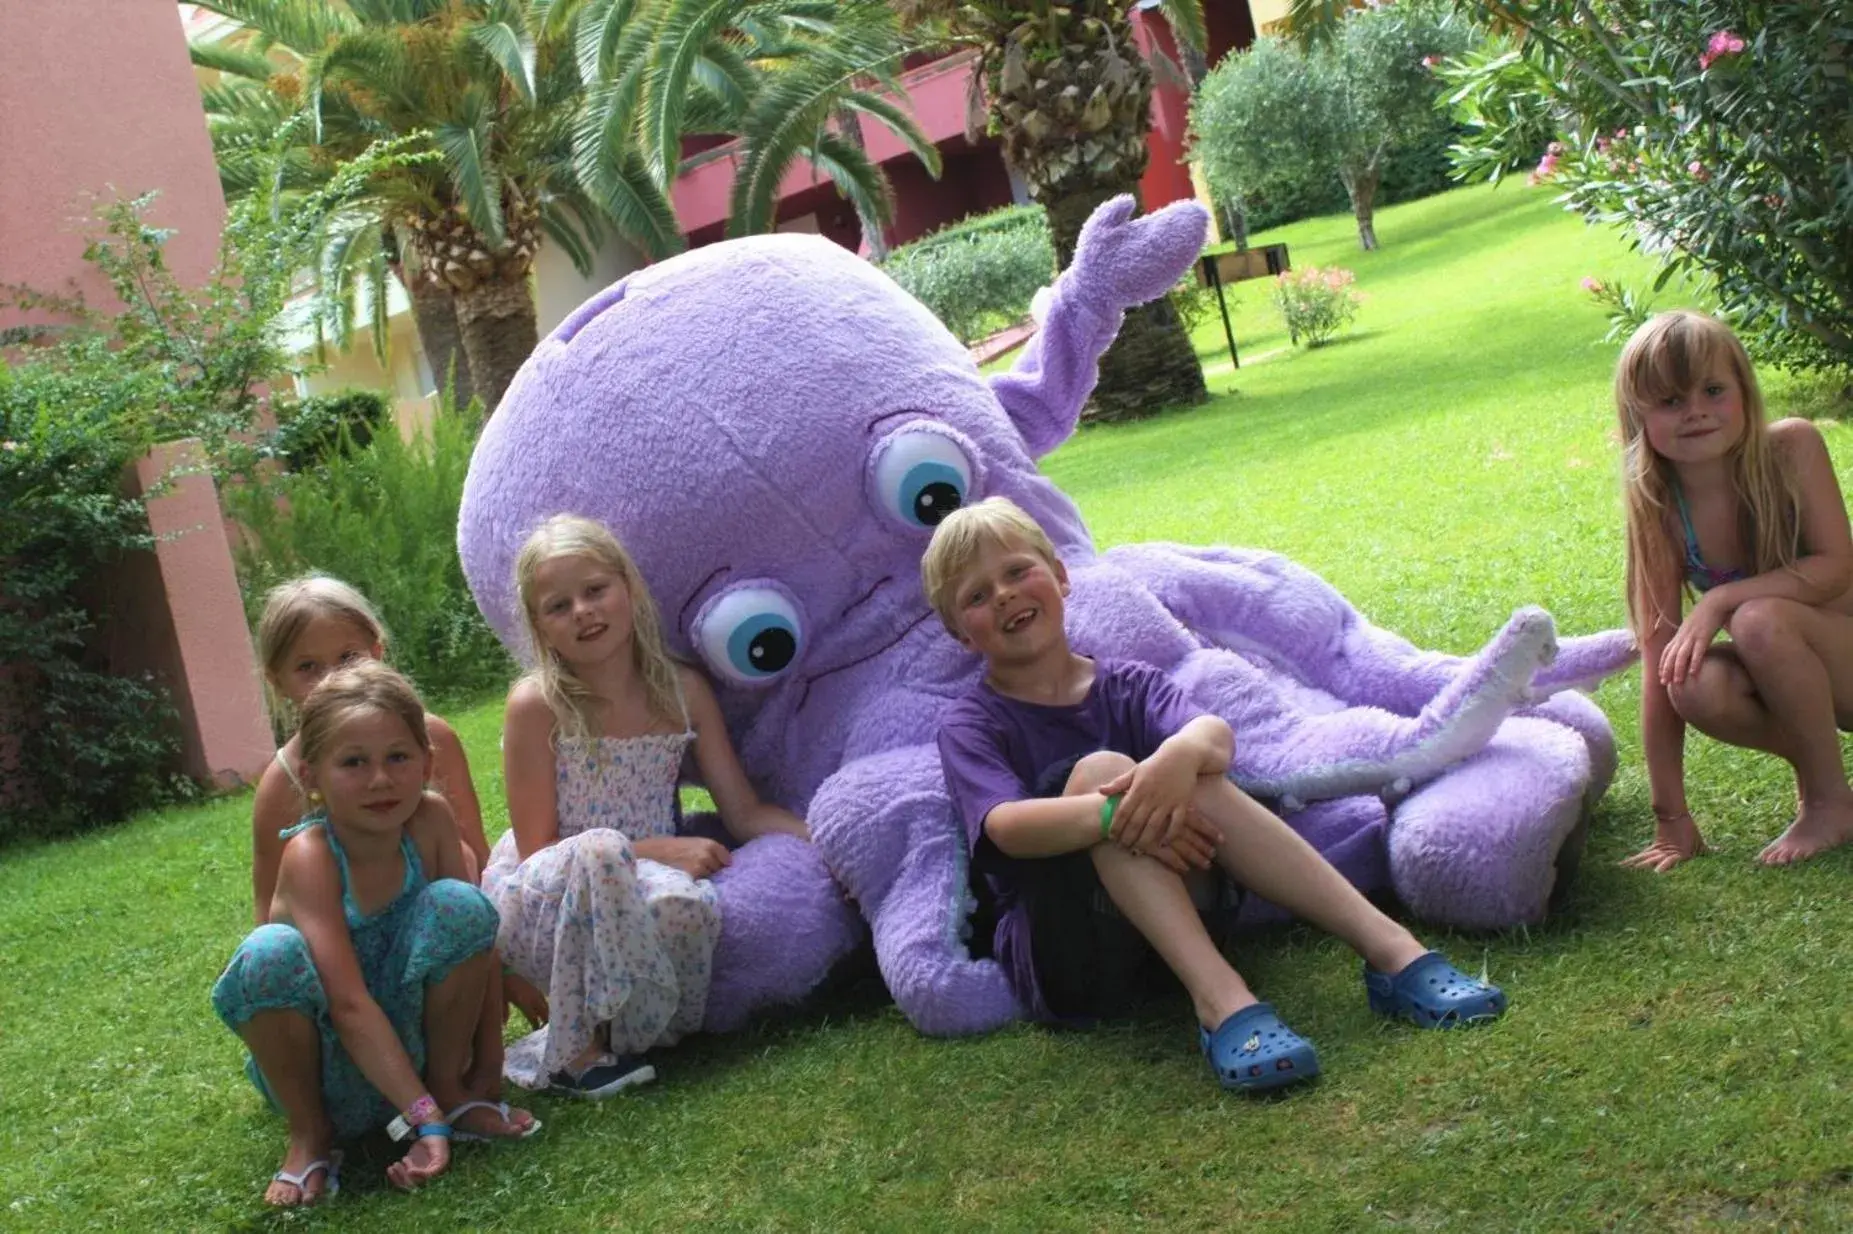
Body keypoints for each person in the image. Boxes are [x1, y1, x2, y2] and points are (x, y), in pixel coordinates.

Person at [923, 497, 1506, 1093]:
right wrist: (1119, 810)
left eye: (1018, 571)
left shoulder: (1129, 684)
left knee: (1191, 765)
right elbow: (1006, 828)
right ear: (960, 634)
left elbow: (1216, 739)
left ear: (1061, 576)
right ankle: (1222, 1002)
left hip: (1186, 910)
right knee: (1104, 769)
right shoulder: (973, 724)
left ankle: (1393, 953)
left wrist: (1175, 761)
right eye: (976, 595)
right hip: (1074, 956)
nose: (1003, 595)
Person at [488, 514, 810, 1096]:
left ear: (629, 589)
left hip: (645, 880)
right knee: (604, 848)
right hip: (553, 893)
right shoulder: (537, 705)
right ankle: (572, 1056)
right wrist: (652, 849)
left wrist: (826, 845)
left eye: (595, 590)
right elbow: (537, 850)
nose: (583, 611)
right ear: (540, 626)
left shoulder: (681, 691)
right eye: (559, 606)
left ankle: (631, 1039)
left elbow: (744, 813)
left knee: (685, 907)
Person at [211, 662, 538, 1208]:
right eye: (354, 763)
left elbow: (475, 945)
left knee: (463, 904)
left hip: (416, 1058)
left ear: (426, 762)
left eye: (398, 757)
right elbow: (348, 1004)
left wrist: (486, 1068)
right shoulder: (311, 855)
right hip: (331, 1072)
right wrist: (423, 1119)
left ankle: (451, 1093)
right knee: (266, 952)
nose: (381, 779)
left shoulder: (431, 821)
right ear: (312, 776)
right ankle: (311, 1135)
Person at [247, 575, 549, 1072]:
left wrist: (502, 971)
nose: (331, 680)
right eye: (307, 667)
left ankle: (448, 1049)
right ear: (277, 681)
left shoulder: (432, 739)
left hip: (428, 955)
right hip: (340, 969)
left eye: (347, 658)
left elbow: (477, 875)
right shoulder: (282, 785)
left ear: (377, 650)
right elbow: (268, 922)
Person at [1614, 311, 1853, 871]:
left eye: (1714, 390)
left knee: (1756, 619)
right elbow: (1658, 659)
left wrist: (1722, 598)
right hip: (1802, 678)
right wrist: (1670, 817)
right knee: (1688, 677)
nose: (1696, 410)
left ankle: (1826, 802)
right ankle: (1829, 786)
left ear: (1745, 391)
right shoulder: (1660, 509)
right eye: (1670, 401)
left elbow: (1839, 569)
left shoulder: (1791, 448)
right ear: (1637, 417)